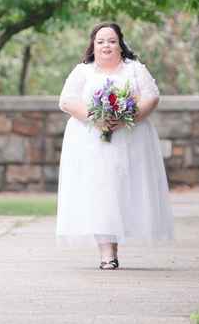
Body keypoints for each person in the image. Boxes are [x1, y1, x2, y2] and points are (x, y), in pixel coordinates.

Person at [56, 22, 174, 268]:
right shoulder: (83, 71)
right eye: (100, 41)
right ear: (93, 46)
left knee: (123, 191)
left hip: (131, 141)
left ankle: (118, 242)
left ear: (120, 44)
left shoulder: (135, 69)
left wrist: (125, 118)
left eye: (111, 40)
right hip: (91, 145)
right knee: (100, 192)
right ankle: (107, 254)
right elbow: (66, 100)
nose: (106, 46)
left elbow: (151, 97)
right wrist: (95, 118)